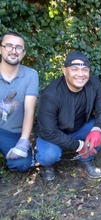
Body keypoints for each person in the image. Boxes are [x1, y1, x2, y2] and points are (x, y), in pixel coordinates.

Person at [36, 50, 101, 181]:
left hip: (78, 129)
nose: (80, 74)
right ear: (64, 71)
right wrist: (79, 146)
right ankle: (46, 165)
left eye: (85, 70)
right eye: (74, 69)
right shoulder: (50, 94)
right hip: (53, 134)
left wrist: (96, 129)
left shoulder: (94, 83)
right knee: (48, 155)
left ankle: (85, 159)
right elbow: (49, 131)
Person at [0, 31, 39, 172]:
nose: (13, 51)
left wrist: (23, 140)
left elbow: (30, 110)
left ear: (23, 53)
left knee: (22, 164)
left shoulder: (31, 75)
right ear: (1, 49)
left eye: (18, 48)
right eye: (9, 46)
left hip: (12, 132)